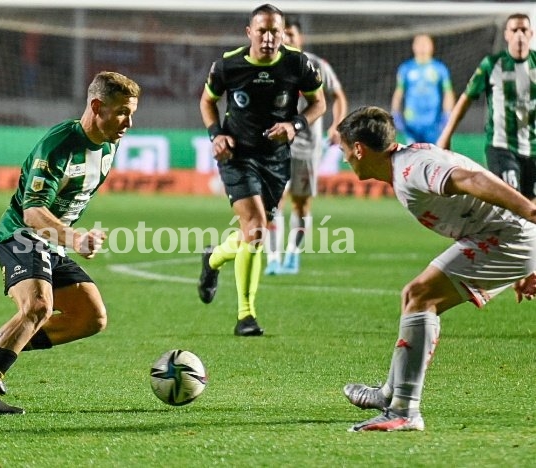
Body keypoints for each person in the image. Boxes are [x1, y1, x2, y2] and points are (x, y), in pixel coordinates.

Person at [337, 106, 536, 432]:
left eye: (344, 149)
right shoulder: (406, 163)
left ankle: (404, 411)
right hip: (504, 238)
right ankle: (391, 393)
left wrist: (528, 211)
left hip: (506, 238)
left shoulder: (412, 169)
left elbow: (471, 178)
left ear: (358, 149)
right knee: (414, 298)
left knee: (420, 296)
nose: (345, 156)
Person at [0, 71, 141, 414]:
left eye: (132, 113)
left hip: (52, 244)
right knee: (39, 308)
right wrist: (74, 238)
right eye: (121, 112)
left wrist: (74, 236)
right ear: (97, 106)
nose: (128, 122)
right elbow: (33, 213)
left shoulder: (108, 145)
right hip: (20, 236)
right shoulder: (58, 146)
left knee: (90, 317)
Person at [197, 4, 325, 336]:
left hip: (276, 160)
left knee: (252, 232)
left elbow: (319, 102)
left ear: (282, 34)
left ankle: (213, 259)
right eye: (262, 31)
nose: (268, 38)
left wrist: (294, 125)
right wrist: (217, 135)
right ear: (249, 32)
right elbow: (207, 101)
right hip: (237, 156)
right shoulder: (228, 65)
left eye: (275, 32)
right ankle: (245, 316)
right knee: (255, 228)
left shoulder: (297, 63)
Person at [264, 17, 348, 275]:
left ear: (299, 38)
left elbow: (338, 96)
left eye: (290, 34)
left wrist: (336, 126)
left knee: (301, 204)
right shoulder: (267, 66)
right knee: (273, 202)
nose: (286, 38)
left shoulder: (316, 66)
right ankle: (273, 258)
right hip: (275, 146)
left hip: (308, 147)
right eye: (282, 33)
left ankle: (292, 254)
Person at [437, 13, 536, 200]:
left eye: (524, 30)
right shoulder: (492, 64)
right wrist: (446, 135)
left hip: (533, 148)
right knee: (511, 203)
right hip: (502, 147)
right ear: (507, 34)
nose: (519, 34)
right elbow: (465, 101)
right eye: (515, 30)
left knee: (529, 209)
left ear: (531, 33)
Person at [391, 34, 455, 145]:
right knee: (413, 156)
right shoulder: (405, 68)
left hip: (433, 122)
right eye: (419, 44)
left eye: (425, 44)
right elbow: (399, 92)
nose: (422, 47)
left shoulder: (440, 68)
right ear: (413, 47)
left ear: (432, 46)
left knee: (435, 156)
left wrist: (448, 113)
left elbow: (448, 92)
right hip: (412, 122)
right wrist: (395, 112)